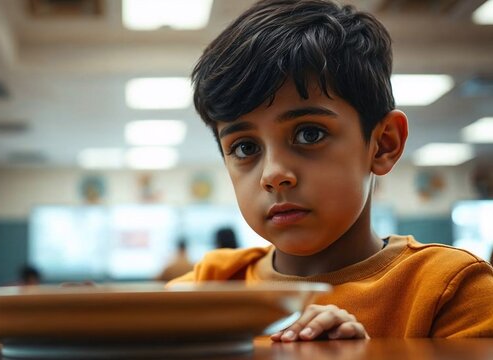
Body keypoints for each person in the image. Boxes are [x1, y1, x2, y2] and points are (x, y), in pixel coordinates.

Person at [170, 0, 493, 341]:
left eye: (309, 134)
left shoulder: (450, 288)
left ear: (383, 144)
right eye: (245, 147)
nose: (274, 174)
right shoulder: (212, 283)